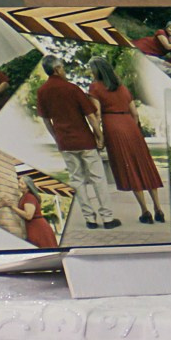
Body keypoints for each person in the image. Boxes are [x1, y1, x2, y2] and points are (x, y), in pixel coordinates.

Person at [35, 55, 118, 230]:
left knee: (77, 179)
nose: (64, 70)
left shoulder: (42, 92)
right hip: (84, 141)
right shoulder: (72, 89)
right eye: (63, 67)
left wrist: (56, 138)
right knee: (97, 178)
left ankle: (90, 220)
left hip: (65, 143)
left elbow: (46, 120)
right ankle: (108, 218)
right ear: (57, 69)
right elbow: (90, 116)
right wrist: (100, 136)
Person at [87, 55, 167, 224]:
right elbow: (135, 113)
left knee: (129, 168)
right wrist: (133, 128)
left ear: (96, 71)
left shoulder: (95, 88)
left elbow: (97, 114)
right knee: (145, 166)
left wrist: (99, 136)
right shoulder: (122, 88)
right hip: (130, 126)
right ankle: (158, 208)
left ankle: (145, 212)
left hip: (113, 127)